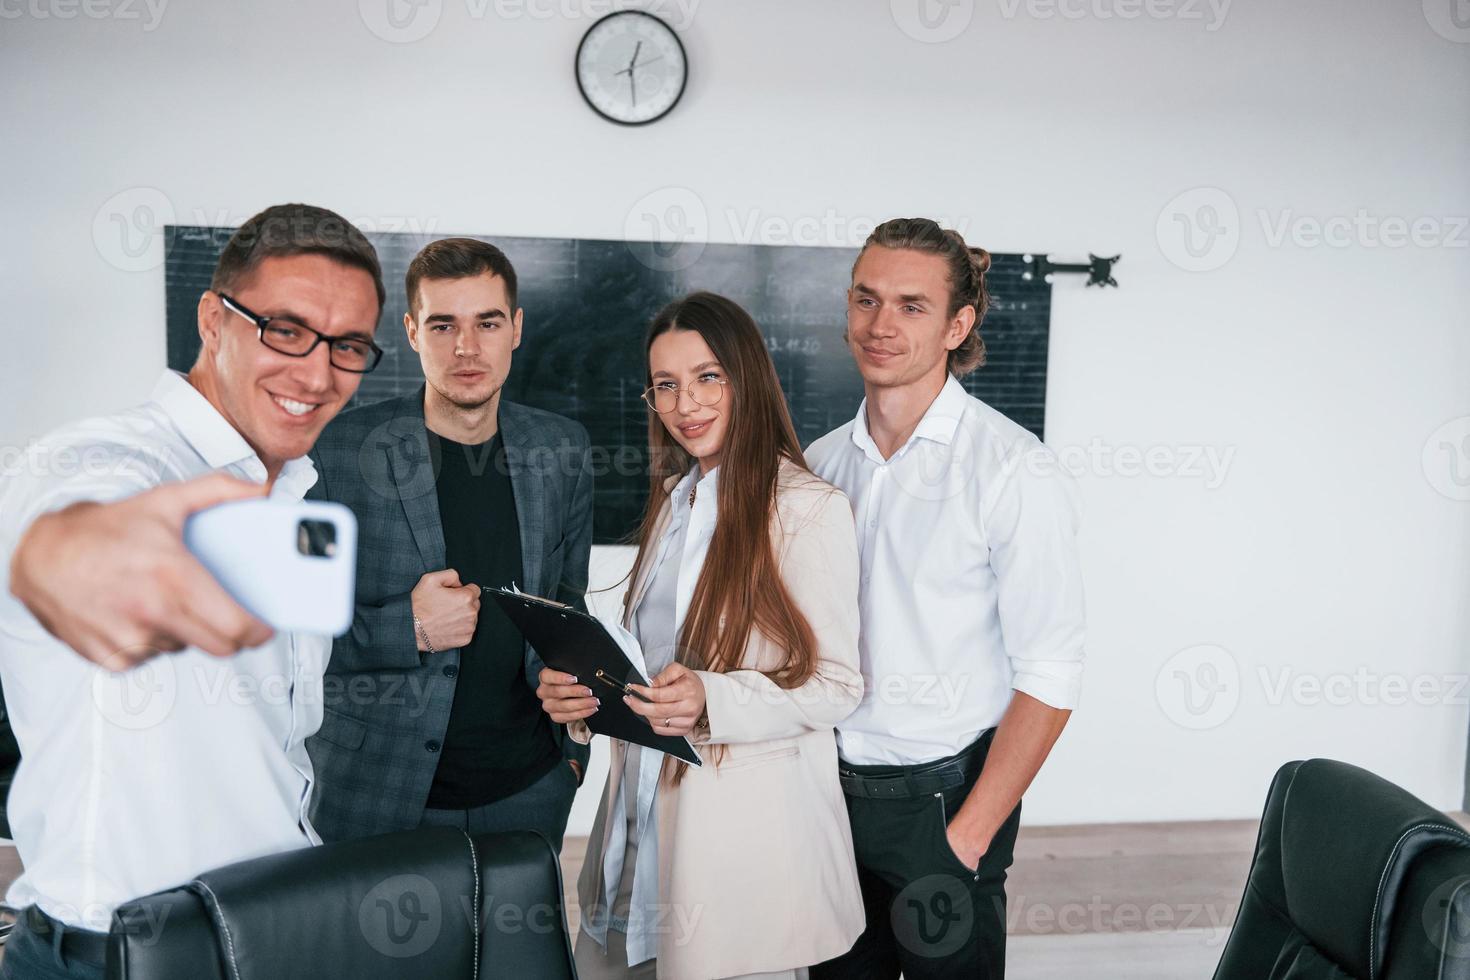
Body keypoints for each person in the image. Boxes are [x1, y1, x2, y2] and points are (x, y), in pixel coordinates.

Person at [0, 203, 386, 980]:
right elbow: (70, 531)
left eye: (346, 346)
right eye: (285, 328)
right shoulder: (104, 458)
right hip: (111, 959)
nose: (317, 374)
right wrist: (85, 556)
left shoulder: (295, 499)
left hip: (258, 936)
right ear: (214, 320)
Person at [537, 292, 865, 980]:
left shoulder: (808, 509)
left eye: (707, 377)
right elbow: (648, 670)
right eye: (666, 385)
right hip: (635, 820)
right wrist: (585, 703)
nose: (686, 403)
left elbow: (837, 686)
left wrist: (711, 701)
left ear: (747, 378)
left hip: (739, 853)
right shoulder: (674, 502)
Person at [807, 218, 1086, 980]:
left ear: (958, 324)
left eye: (910, 305)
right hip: (828, 803)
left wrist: (966, 838)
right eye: (866, 300)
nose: (880, 325)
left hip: (944, 807)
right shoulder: (819, 464)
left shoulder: (1011, 469)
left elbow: (1052, 676)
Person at [305, 237, 592, 849]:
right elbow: (286, 634)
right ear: (412, 331)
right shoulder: (334, 453)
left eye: (487, 322)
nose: (467, 347)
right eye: (443, 325)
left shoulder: (562, 449)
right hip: (375, 793)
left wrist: (571, 755)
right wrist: (406, 628)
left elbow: (570, 608)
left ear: (515, 328)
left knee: (519, 949)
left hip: (532, 791)